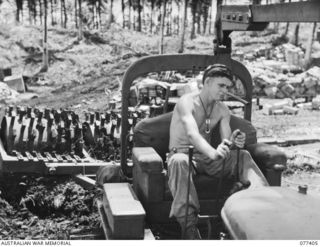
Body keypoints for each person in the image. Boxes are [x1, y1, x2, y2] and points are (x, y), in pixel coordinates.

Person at [167, 64, 268, 239]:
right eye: (220, 85)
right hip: (183, 154)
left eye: (228, 87)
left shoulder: (222, 109)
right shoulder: (187, 102)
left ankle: (263, 204)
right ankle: (189, 226)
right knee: (178, 161)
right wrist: (213, 153)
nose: (225, 91)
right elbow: (192, 134)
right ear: (207, 82)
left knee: (242, 156)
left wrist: (235, 143)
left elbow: (226, 141)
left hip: (207, 158)